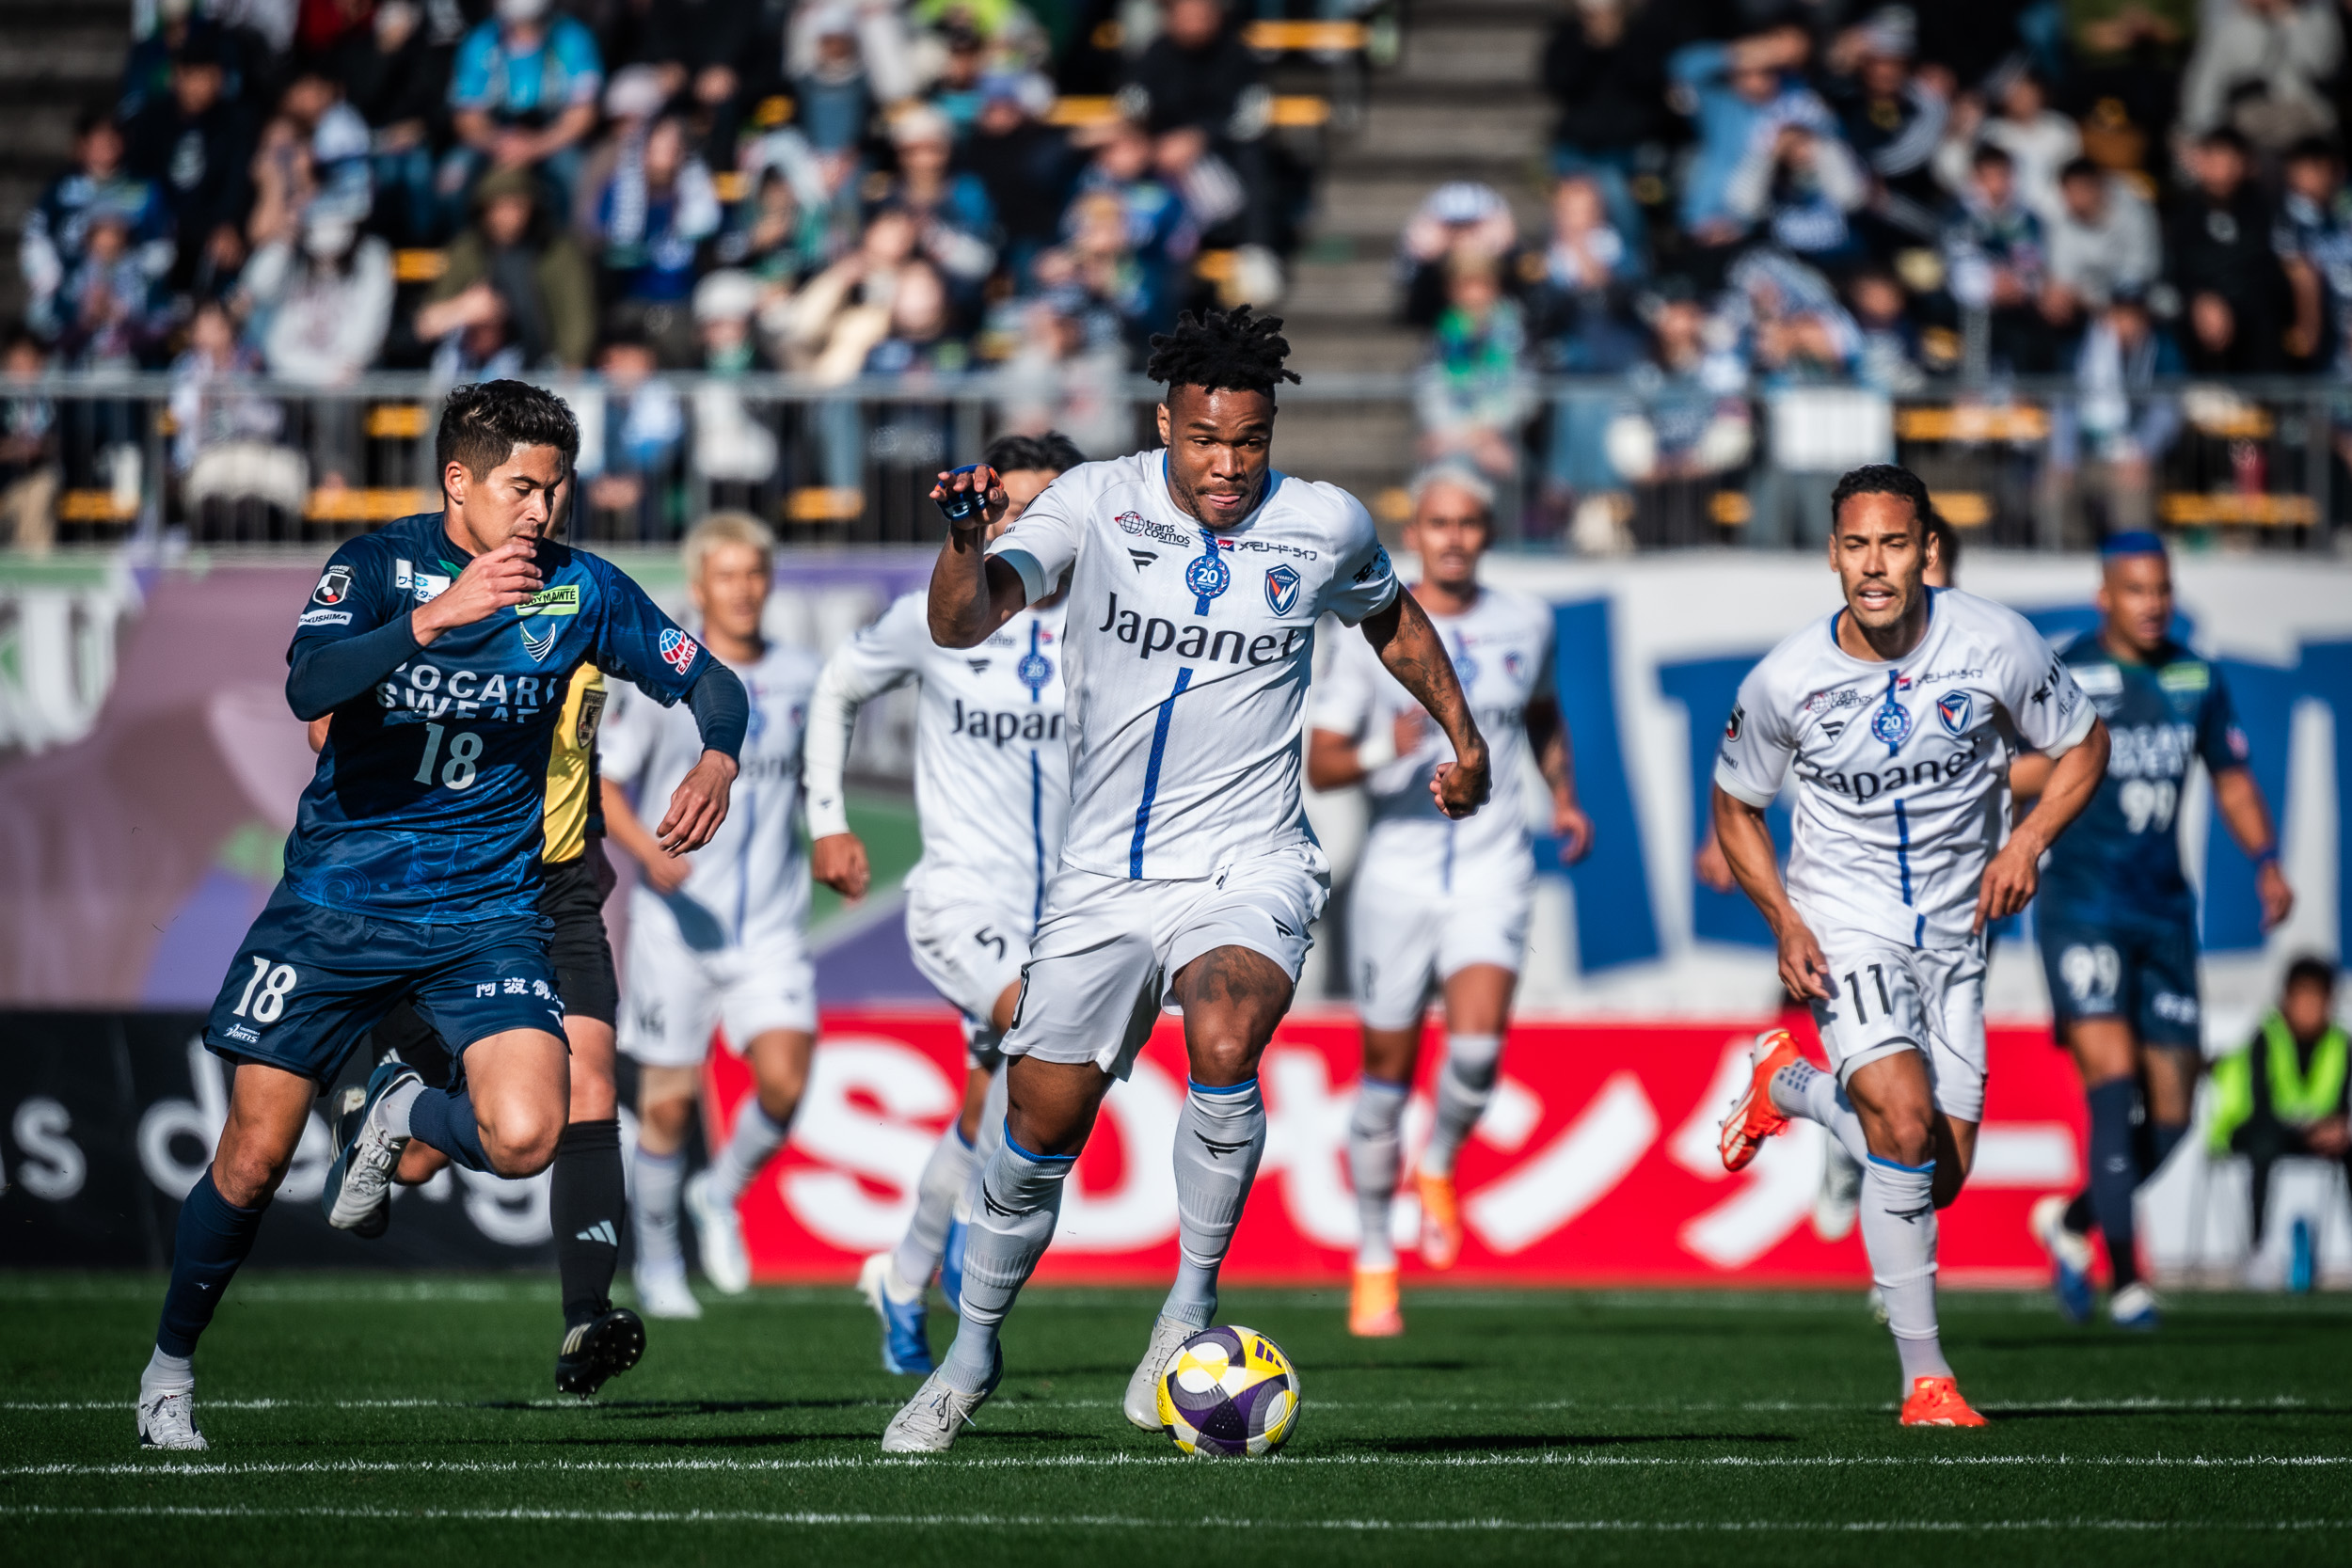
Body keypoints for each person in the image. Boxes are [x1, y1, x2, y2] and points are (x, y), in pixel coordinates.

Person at [881, 305, 1490, 1451]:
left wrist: (1465, 736)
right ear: (1165, 423)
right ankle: (968, 1357)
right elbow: (964, 623)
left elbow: (1393, 619)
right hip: (1103, 875)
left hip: (1248, 857)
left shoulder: (1323, 523)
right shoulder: (1093, 500)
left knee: (1225, 1029)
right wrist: (963, 543)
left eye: (1249, 441)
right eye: (1205, 439)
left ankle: (1185, 1311)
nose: (1226, 464)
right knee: (1034, 1134)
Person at [135, 381, 748, 1450]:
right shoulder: (376, 566)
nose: (542, 510)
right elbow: (308, 685)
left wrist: (717, 756)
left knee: (529, 1132)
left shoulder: (582, 590)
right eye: (523, 487)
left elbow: (714, 682)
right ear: (458, 481)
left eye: (556, 489)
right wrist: (432, 619)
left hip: (486, 912)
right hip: (335, 905)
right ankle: (168, 1369)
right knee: (254, 1157)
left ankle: (400, 1111)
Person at [1712, 463, 2110, 1428]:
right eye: (1855, 545)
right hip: (1847, 923)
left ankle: (1789, 1086)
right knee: (1898, 1122)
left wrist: (2026, 841)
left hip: (1959, 932)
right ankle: (1926, 1381)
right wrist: (1786, 919)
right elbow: (1734, 805)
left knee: (1937, 1176)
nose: (1873, 564)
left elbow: (2085, 742)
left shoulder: (1995, 642)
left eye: (1892, 543)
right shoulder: (1786, 680)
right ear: (1832, 554)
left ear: (1926, 550)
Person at [805, 431, 1085, 1374]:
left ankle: (902, 1275)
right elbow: (837, 686)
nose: (1027, 522)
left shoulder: (1108, 622)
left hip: (1068, 912)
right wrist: (827, 821)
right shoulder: (942, 614)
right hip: (962, 897)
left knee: (986, 1111)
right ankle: (973, 1234)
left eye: (1048, 506)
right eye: (1011, 505)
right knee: (1041, 1035)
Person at [1309, 465, 1593, 1337]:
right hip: (1397, 873)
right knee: (1385, 1079)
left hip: (1491, 865)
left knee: (1475, 1050)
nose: (1455, 538)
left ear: (1488, 533)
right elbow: (1322, 761)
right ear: (1416, 533)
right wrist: (1384, 750)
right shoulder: (1372, 627)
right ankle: (1373, 1256)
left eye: (1469, 523)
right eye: (1440, 523)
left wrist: (1564, 795)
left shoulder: (1527, 621)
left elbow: (1541, 713)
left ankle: (1437, 1161)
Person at [2022, 531, 2292, 1328]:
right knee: (2111, 1083)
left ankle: (2070, 1220)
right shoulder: (2067, 674)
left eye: (2162, 589)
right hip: (2081, 906)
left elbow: (2232, 779)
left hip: (2165, 913)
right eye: (2136, 590)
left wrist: (2267, 862)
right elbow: (2021, 765)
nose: (2153, 604)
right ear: (2104, 596)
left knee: (2172, 1117)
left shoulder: (2194, 676)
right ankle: (2127, 1279)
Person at [604, 514, 823, 1320]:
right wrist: (646, 851)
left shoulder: (803, 675)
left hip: (770, 924)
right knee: (665, 1105)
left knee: (786, 1081)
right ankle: (659, 1263)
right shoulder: (665, 682)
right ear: (698, 587)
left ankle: (719, 1191)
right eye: (726, 575)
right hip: (678, 924)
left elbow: (818, 780)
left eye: (754, 573)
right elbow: (604, 781)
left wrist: (832, 836)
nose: (742, 589)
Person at [2208, 957, 2347, 1291]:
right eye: (2303, 998)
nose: (2310, 1008)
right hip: (2246, 1129)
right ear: (2286, 998)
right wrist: (2310, 1129)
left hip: (2306, 1134)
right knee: (2265, 1143)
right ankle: (2259, 1249)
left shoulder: (2340, 1043)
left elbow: (2341, 1105)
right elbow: (2261, 1107)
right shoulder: (2266, 1036)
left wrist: (2337, 1129)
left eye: (2318, 999)